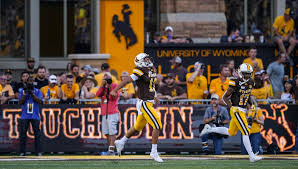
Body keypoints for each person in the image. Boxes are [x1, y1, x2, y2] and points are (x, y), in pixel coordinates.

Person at [200, 63, 263, 162]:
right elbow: (224, 97)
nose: (247, 76)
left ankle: (210, 129)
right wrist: (232, 108)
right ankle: (251, 156)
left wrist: (251, 104)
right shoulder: (234, 82)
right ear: (241, 73)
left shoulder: (251, 81)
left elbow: (247, 95)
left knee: (231, 132)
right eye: (245, 74)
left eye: (249, 74)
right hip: (236, 109)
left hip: (243, 110)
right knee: (246, 131)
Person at [110, 53, 163, 162]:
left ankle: (121, 141)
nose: (148, 60)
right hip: (144, 103)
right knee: (157, 125)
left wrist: (155, 96)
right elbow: (127, 80)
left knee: (137, 127)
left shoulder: (151, 69)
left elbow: (151, 85)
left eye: (148, 58)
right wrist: (115, 90)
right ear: (140, 61)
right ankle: (153, 152)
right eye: (146, 59)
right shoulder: (139, 70)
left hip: (148, 101)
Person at [18, 75, 43, 156]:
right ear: (27, 82)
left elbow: (39, 101)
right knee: (23, 134)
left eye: (32, 81)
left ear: (34, 83)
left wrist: (32, 94)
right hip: (25, 115)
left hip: (35, 115)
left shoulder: (37, 91)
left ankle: (38, 151)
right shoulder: (22, 90)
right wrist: (25, 94)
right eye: (29, 81)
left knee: (37, 134)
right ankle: (22, 151)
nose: (31, 83)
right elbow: (20, 102)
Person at [96, 72, 120, 155]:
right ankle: (110, 148)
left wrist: (109, 86)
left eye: (108, 78)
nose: (106, 80)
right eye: (105, 78)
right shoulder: (103, 88)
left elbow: (113, 97)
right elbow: (98, 94)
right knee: (106, 132)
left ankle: (111, 149)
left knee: (112, 132)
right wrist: (102, 86)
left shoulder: (115, 86)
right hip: (104, 112)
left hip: (112, 112)